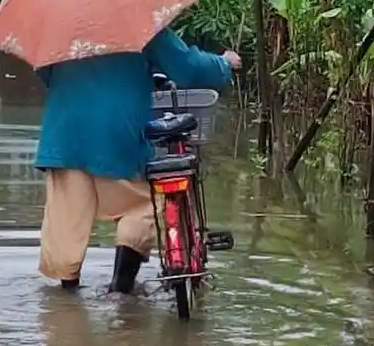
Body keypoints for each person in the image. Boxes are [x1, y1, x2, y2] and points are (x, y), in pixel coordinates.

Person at [34, 28, 241, 293]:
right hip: (117, 137)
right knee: (142, 206)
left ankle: (67, 306)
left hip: (63, 139)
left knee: (67, 221)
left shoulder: (61, 25)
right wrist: (223, 63)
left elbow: (45, 72)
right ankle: (121, 289)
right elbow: (187, 68)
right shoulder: (138, 24)